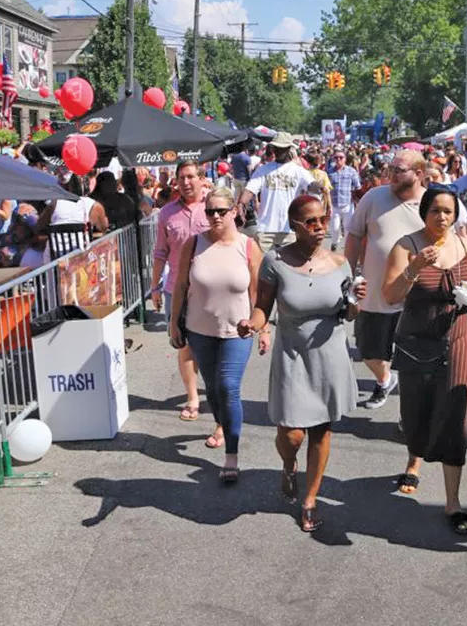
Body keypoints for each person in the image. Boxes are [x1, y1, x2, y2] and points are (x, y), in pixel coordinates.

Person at [244, 196, 364, 531]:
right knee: (291, 433)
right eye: (310, 221)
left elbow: (347, 313)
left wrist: (357, 303)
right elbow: (262, 307)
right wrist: (252, 325)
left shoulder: (340, 263)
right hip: (293, 354)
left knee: (321, 430)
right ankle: (288, 463)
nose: (319, 226)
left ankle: (310, 499)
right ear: (294, 225)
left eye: (323, 219)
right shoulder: (276, 261)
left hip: (329, 355)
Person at [382, 186, 467, 531]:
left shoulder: (465, 244)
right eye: (436, 210)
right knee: (417, 413)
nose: (442, 217)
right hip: (416, 342)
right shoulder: (407, 245)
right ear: (424, 212)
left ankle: (452, 502)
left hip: (457, 339)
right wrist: (414, 269)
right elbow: (390, 294)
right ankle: (414, 461)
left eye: (449, 211)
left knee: (454, 415)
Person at [170, 188, 262, 483]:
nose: (216, 216)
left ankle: (231, 456)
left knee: (228, 386)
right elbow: (181, 285)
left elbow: (259, 294)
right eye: (210, 211)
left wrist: (263, 327)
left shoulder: (248, 246)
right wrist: (174, 322)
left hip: (238, 331)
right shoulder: (193, 244)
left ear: (235, 210)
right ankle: (222, 423)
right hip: (200, 331)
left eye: (222, 210)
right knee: (213, 388)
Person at [346, 149, 426, 410]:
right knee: (368, 349)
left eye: (398, 170)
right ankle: (385, 378)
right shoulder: (374, 197)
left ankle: (410, 417)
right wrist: (348, 273)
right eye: (390, 168)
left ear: (419, 174)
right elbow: (355, 235)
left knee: (412, 358)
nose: (391, 174)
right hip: (373, 292)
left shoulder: (431, 204)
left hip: (414, 295)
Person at [151, 160, 209, 423]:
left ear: (201, 179)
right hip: (176, 288)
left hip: (210, 289)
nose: (186, 183)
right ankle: (192, 397)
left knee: (210, 345)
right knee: (183, 345)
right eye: (181, 178)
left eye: (191, 177)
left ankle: (216, 393)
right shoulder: (167, 213)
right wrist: (154, 286)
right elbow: (160, 252)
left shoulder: (214, 208)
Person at [239, 133, 315, 253]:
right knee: (264, 268)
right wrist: (241, 204)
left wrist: (319, 187)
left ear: (289, 148)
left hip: (289, 230)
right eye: (276, 148)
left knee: (288, 268)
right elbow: (250, 190)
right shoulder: (263, 170)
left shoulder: (299, 171)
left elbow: (312, 186)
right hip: (265, 229)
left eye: (282, 148)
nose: (278, 151)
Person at [327, 149, 360, 252]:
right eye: (336, 157)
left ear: (345, 159)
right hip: (334, 204)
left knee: (347, 228)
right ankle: (335, 242)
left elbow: (357, 186)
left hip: (347, 205)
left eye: (341, 157)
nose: (338, 159)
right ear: (333, 159)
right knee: (334, 227)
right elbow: (326, 188)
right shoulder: (329, 172)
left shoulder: (351, 171)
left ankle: (347, 248)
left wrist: (356, 200)